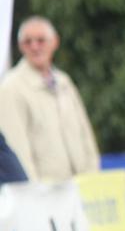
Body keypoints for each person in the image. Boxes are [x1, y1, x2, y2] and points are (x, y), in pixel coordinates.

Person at [0, 16, 99, 181]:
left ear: (55, 42)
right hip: (46, 190)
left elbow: (85, 135)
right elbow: (17, 147)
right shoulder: (11, 87)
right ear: (20, 46)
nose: (34, 47)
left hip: (79, 186)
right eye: (28, 42)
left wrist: (92, 176)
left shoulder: (64, 82)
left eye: (41, 40)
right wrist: (33, 190)